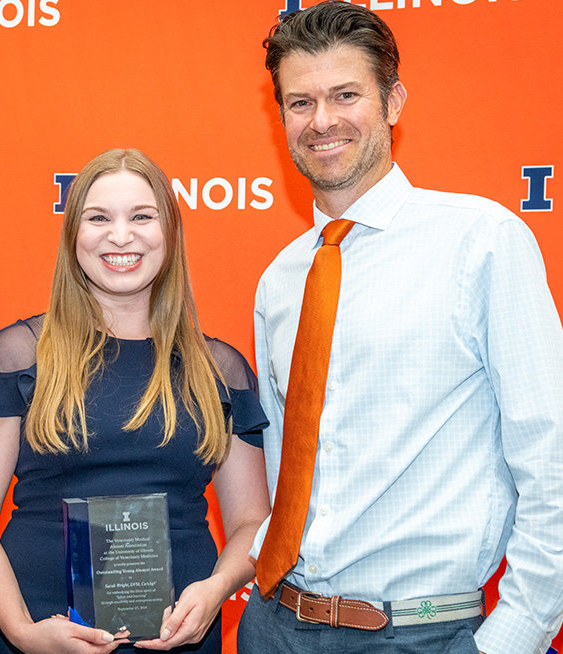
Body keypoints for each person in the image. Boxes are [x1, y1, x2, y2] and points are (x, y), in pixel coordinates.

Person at [240, 2, 563, 654]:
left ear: (393, 102)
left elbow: (551, 458)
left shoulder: (482, 242)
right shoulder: (280, 279)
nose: (323, 120)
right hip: (275, 626)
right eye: (300, 102)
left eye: (346, 94)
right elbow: (286, 465)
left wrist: (512, 635)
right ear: (280, 118)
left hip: (424, 634)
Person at [0, 148, 270, 654]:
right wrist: (20, 631)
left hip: (180, 638)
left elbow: (250, 524)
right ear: (73, 236)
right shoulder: (18, 354)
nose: (120, 235)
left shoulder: (219, 368)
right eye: (98, 217)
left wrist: (215, 592)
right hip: (39, 632)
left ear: (169, 232)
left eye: (142, 216)